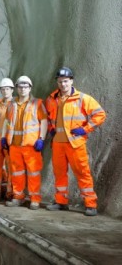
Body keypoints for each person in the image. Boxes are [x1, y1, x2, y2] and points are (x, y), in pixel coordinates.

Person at [45, 67, 106, 216]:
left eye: (65, 81)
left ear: (71, 81)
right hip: (58, 143)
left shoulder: (82, 98)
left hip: (75, 143)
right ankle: (61, 201)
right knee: (59, 174)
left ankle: (90, 204)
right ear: (57, 82)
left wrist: (85, 129)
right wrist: (52, 128)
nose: (63, 84)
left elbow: (100, 114)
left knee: (82, 173)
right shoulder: (51, 99)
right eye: (60, 82)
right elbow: (49, 117)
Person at [2, 76, 47, 210]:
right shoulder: (11, 104)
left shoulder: (37, 103)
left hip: (30, 145)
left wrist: (41, 138)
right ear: (16, 88)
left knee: (33, 172)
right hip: (15, 145)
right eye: (20, 87)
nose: (23, 89)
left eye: (25, 87)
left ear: (30, 88)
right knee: (16, 172)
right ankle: (18, 196)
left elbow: (44, 121)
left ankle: (34, 199)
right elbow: (7, 121)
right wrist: (4, 137)